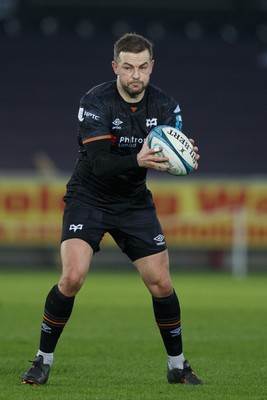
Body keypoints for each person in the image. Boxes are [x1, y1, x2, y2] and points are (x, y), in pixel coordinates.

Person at [21, 32, 203, 386]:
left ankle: (178, 366)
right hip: (88, 197)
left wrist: (185, 156)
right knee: (72, 278)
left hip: (133, 203)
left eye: (143, 67)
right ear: (116, 67)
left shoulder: (166, 106)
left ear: (151, 67)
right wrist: (138, 159)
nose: (136, 75)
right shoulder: (96, 102)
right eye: (128, 67)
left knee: (162, 284)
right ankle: (42, 361)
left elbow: (172, 151)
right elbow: (101, 162)